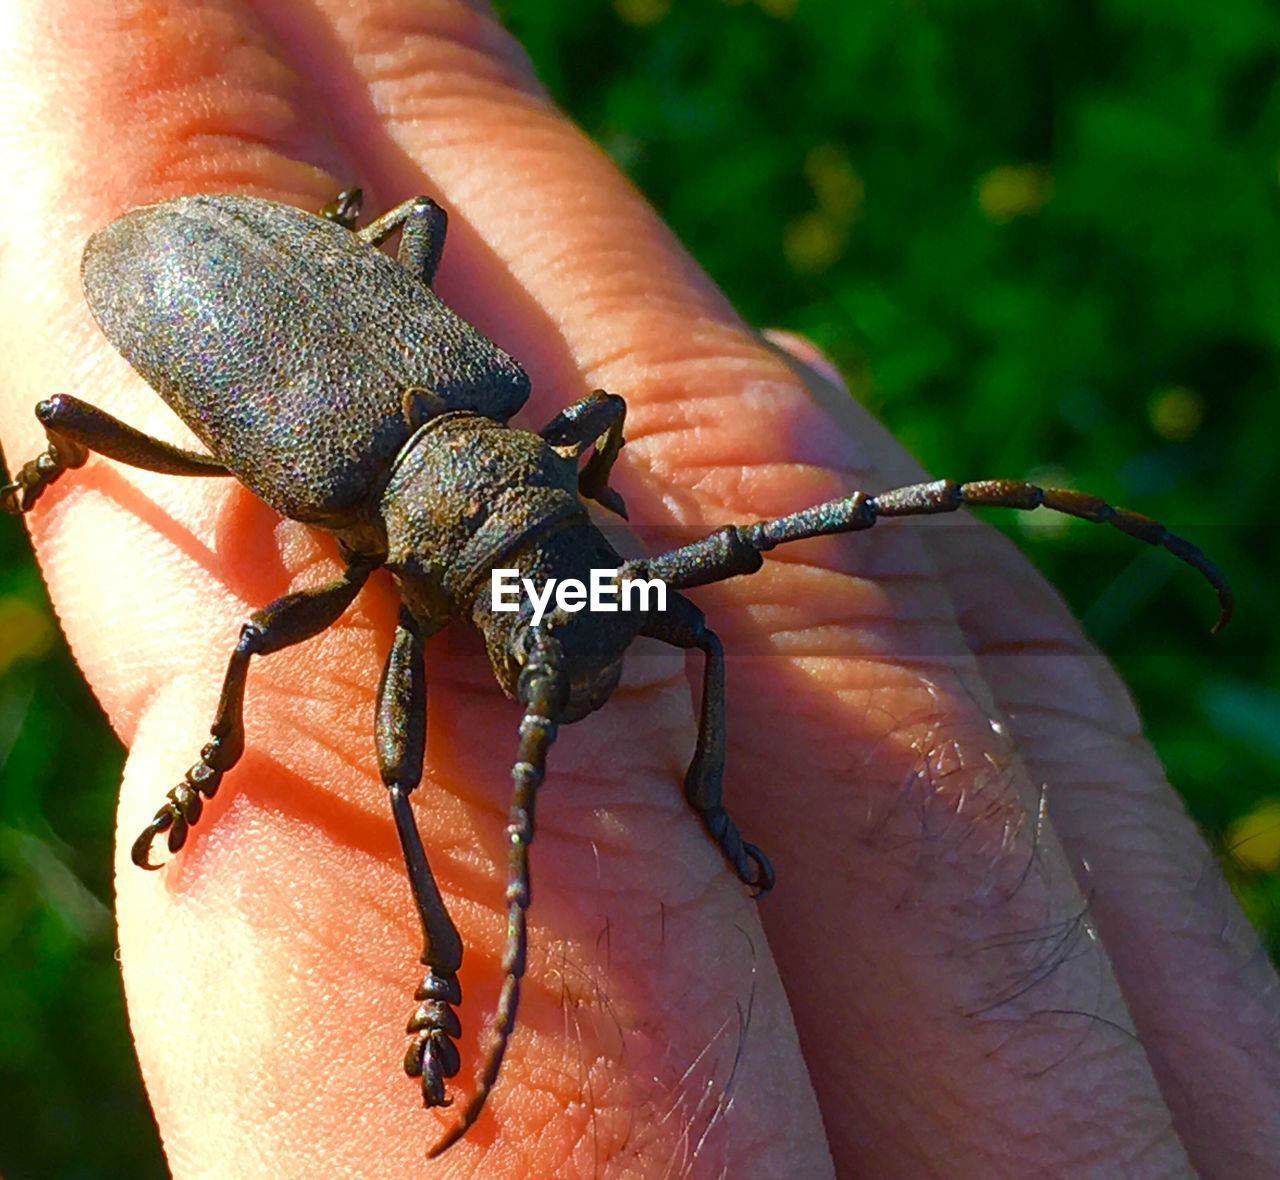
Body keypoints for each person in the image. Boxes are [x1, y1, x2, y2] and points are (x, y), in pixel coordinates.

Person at [2, 1, 1275, 1174]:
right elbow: (268, 643)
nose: (588, 617)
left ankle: (699, 806)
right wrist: (220, 753)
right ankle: (439, 961)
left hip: (313, 289)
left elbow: (662, 593)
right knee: (353, 735)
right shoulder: (351, 470)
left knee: (703, 635)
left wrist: (700, 788)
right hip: (192, 279)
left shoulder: (523, 430)